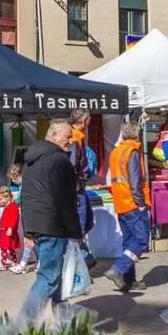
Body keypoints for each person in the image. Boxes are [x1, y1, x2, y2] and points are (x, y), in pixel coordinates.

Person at [19, 121, 81, 317]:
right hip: (53, 226)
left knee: (57, 275)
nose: (70, 141)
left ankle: (64, 322)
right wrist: (75, 231)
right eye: (67, 136)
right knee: (49, 277)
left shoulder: (31, 162)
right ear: (54, 136)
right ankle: (23, 323)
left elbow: (25, 196)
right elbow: (66, 200)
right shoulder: (60, 161)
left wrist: (28, 229)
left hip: (38, 225)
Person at [104, 121, 151, 293]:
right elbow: (134, 179)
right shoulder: (132, 151)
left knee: (129, 241)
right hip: (132, 203)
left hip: (120, 202)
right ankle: (118, 269)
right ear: (137, 134)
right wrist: (140, 203)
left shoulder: (116, 151)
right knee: (141, 240)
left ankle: (127, 280)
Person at [68, 109, 97, 269]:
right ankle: (84, 261)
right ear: (83, 120)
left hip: (77, 188)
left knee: (82, 225)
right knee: (79, 226)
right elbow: (73, 165)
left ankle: (85, 259)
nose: (90, 122)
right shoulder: (75, 139)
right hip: (76, 190)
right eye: (89, 119)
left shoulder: (75, 137)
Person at [0, 186, 20, 271]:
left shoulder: (12, 206)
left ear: (7, 197)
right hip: (4, 230)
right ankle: (13, 262)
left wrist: (10, 228)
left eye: (1, 199)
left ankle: (4, 263)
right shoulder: (8, 205)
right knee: (8, 247)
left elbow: (14, 219)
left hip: (8, 231)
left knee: (6, 248)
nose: (0, 201)